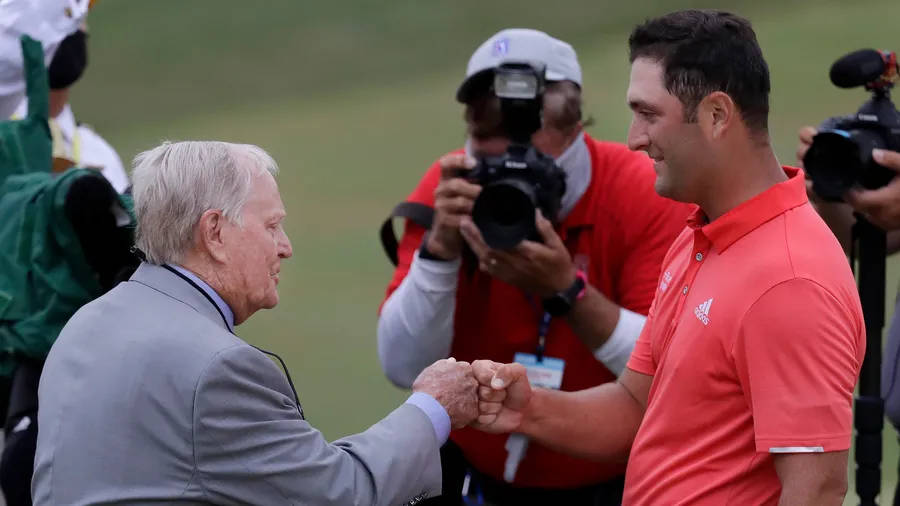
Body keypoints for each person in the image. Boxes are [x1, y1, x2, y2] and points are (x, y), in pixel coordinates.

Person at [471, 10, 864, 505]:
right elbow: (638, 405)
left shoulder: (789, 279)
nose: (634, 137)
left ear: (717, 116)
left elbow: (817, 489)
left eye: (649, 114)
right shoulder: (699, 236)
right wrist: (525, 410)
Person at [32, 141, 479, 506]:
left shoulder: (84, 325)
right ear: (215, 233)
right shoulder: (216, 369)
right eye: (272, 226)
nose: (285, 247)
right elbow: (343, 494)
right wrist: (432, 407)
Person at [377, 28, 691, 504]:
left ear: (574, 133)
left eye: (528, 149)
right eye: (488, 140)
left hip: (615, 482)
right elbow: (402, 365)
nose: (508, 168)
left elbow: (674, 374)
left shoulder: (639, 191)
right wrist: (440, 250)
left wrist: (567, 291)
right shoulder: (454, 189)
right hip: (474, 477)